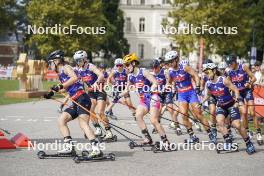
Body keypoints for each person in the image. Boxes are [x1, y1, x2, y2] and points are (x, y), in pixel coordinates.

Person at [44, 50, 102, 157]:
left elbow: (74, 78)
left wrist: (60, 86)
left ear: (56, 61)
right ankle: (69, 147)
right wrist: (52, 92)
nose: (49, 65)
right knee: (61, 120)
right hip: (75, 101)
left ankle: (96, 148)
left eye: (50, 62)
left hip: (82, 98)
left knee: (83, 123)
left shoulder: (66, 67)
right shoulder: (60, 72)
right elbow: (65, 88)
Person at [201, 62, 256, 154]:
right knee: (220, 122)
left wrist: (238, 100)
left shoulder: (223, 80)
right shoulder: (208, 84)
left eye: (208, 72)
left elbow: (235, 89)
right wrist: (201, 103)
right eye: (205, 73)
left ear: (214, 71)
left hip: (231, 105)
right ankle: (229, 143)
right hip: (221, 106)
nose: (206, 75)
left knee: (237, 125)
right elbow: (209, 95)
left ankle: (249, 143)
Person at [117, 53, 170, 146]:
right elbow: (126, 90)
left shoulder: (143, 71)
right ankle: (148, 138)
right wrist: (118, 96)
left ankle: (166, 142)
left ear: (133, 63)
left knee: (153, 120)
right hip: (144, 100)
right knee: (138, 115)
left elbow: (155, 82)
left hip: (153, 97)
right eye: (124, 65)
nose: (126, 67)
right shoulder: (130, 76)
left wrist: (151, 89)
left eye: (127, 65)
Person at [165, 50, 216, 144]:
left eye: (171, 61)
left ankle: (210, 134)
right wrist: (168, 87)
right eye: (169, 62)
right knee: (183, 115)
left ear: (176, 59)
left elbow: (196, 75)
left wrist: (197, 87)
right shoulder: (170, 71)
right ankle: (192, 136)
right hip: (181, 95)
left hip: (191, 92)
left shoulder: (185, 67)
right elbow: (169, 82)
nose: (170, 63)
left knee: (198, 114)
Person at [73, 50, 114, 140]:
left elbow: (101, 75)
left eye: (79, 60)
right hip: (91, 92)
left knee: (100, 113)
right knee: (90, 111)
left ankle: (108, 132)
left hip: (99, 91)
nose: (78, 62)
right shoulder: (79, 70)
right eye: (76, 61)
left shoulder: (90, 66)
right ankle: (98, 128)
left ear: (84, 59)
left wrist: (96, 82)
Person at [225, 55, 263, 144]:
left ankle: (258, 133)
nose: (229, 65)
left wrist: (249, 83)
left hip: (247, 91)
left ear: (235, 62)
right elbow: (227, 83)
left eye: (230, 63)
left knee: (253, 112)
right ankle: (247, 130)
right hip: (238, 93)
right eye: (228, 64)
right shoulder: (229, 71)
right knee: (244, 112)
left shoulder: (243, 67)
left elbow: (254, 78)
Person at [150, 58, 182, 135]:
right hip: (159, 94)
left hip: (167, 92)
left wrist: (171, 88)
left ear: (158, 66)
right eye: (152, 68)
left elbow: (170, 82)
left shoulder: (164, 72)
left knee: (170, 109)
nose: (154, 69)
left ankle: (177, 127)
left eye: (155, 67)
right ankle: (157, 127)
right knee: (158, 111)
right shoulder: (152, 74)